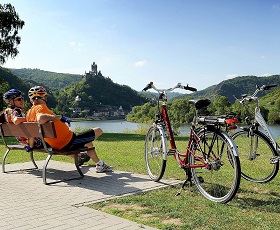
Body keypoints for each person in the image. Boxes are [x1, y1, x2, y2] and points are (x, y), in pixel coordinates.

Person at [26, 85, 113, 173]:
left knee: (87, 141)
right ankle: (98, 164)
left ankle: (94, 162)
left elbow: (31, 132)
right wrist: (60, 117)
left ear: (30, 100)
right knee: (98, 130)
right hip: (69, 141)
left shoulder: (29, 113)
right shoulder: (40, 107)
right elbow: (40, 119)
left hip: (54, 144)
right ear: (45, 97)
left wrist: (31, 146)